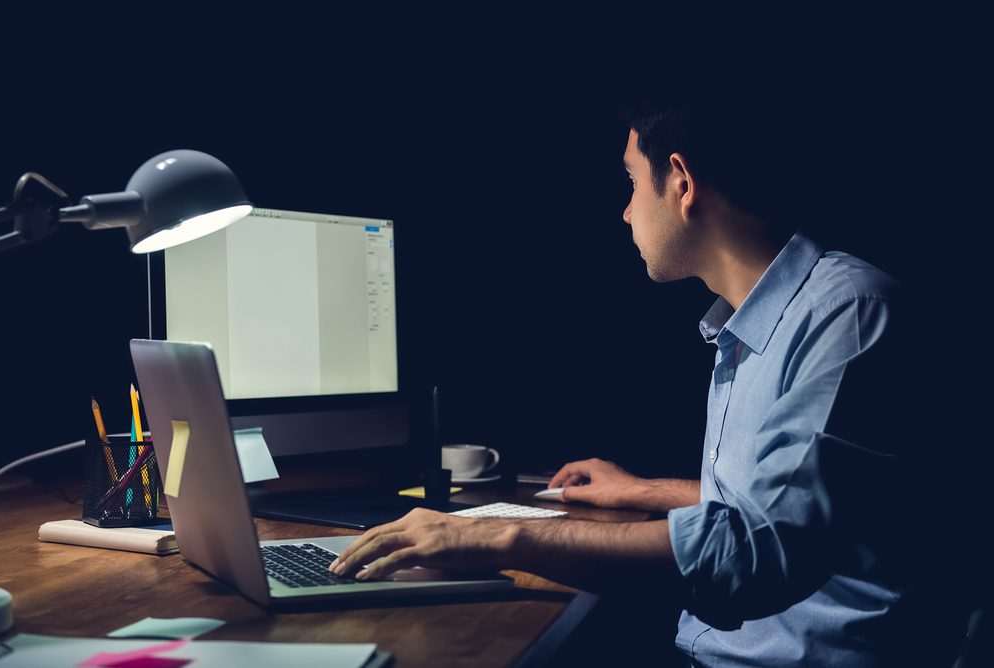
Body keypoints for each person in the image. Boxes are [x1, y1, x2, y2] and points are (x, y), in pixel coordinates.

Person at [330, 95, 941, 666]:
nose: (624, 211)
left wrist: (490, 535)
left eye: (630, 182)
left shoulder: (850, 313)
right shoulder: (756, 320)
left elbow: (755, 551)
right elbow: (792, 505)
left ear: (680, 180)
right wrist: (645, 490)